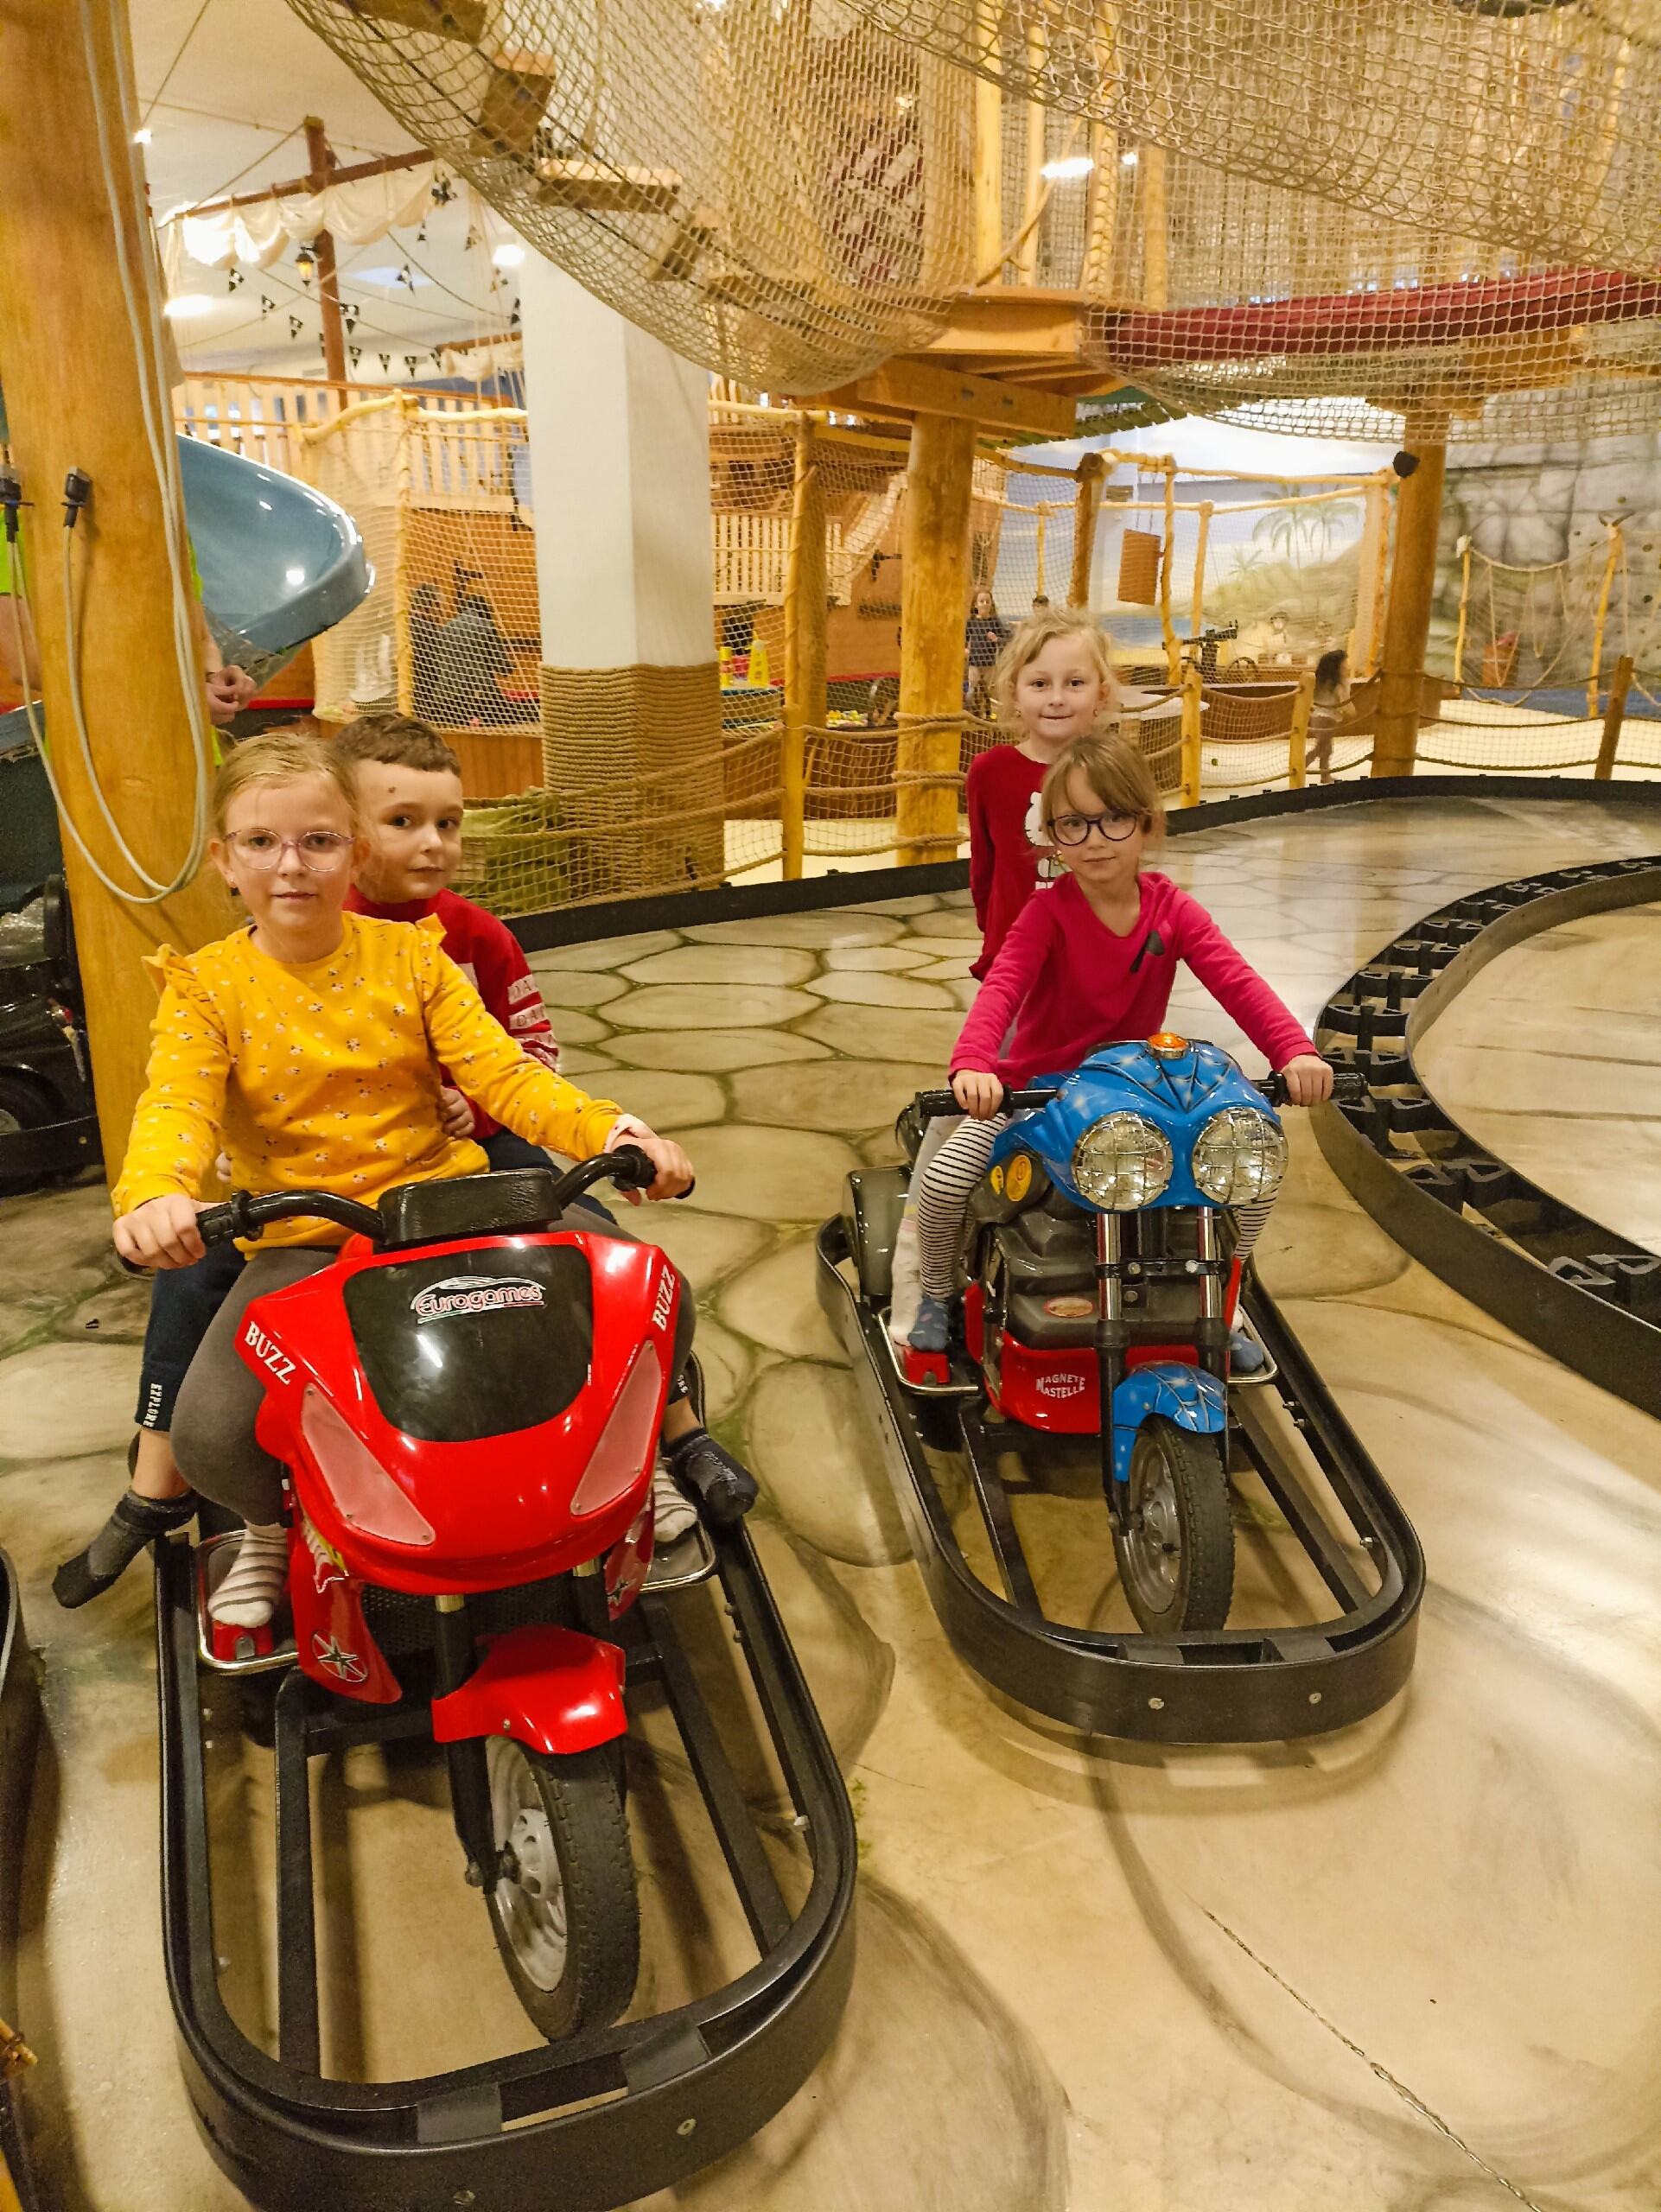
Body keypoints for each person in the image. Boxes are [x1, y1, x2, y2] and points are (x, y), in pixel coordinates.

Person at [88, 732, 753, 1630]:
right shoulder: (204, 988)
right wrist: (155, 1192)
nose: (292, 865)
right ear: (224, 860)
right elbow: (176, 1104)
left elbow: (505, 1074)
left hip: (448, 1205)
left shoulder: (413, 956)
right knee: (211, 1428)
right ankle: (272, 1529)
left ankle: (634, 1473)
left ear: (354, 850)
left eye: (319, 841)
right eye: (261, 842)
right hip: (306, 1236)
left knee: (645, 1297)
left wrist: (612, 1128)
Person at [907, 732, 1332, 1361]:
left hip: (1134, 1091)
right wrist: (975, 1064)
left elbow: (1237, 981)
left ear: (1147, 823)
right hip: (1038, 1091)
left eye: (1113, 819)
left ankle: (1226, 1297)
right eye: (1073, 824)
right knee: (945, 1181)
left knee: (1253, 1172)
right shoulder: (1045, 914)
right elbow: (1002, 989)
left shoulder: (1173, 910)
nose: (1095, 839)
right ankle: (936, 1293)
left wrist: (1293, 1050)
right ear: (1051, 836)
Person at [964, 588, 1010, 718]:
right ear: (976, 605)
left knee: (986, 691)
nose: (984, 604)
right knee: (972, 689)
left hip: (989, 663)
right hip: (974, 662)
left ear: (991, 604)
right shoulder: (972, 622)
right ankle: (970, 714)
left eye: (987, 601)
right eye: (981, 601)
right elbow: (965, 638)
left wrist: (996, 639)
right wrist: (965, 649)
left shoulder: (994, 622)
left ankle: (987, 713)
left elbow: (1006, 638)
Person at [1310, 646, 1353, 785]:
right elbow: (1344, 702)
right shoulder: (1338, 685)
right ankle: (1301, 764)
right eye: (1345, 664)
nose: (1347, 666)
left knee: (1326, 748)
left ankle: (1325, 775)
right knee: (1322, 747)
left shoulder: (1322, 682)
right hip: (1327, 720)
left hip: (1318, 718)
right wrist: (1353, 712)